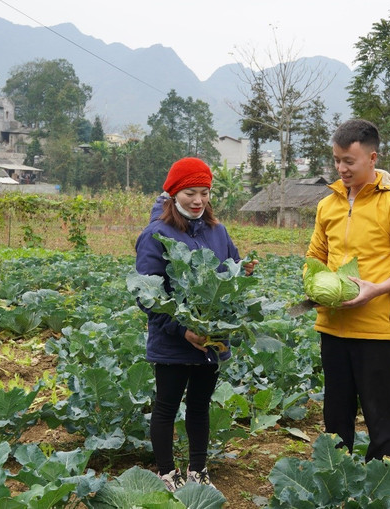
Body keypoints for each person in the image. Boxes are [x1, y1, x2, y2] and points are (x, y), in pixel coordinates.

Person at [305, 118, 390, 462]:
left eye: (349, 161)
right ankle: (337, 478)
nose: (341, 168)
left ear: (373, 158)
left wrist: (376, 289)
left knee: (380, 418)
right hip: (333, 325)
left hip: (377, 329)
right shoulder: (327, 205)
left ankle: (381, 484)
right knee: (335, 416)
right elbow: (315, 255)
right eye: (336, 160)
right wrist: (313, 282)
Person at [134, 157, 257, 491]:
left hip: (211, 338)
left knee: (200, 406)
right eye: (191, 192)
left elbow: (229, 267)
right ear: (174, 193)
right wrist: (182, 329)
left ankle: (197, 472)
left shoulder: (218, 231)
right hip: (174, 341)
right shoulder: (156, 234)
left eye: (205, 192)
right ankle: (166, 474)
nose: (199, 200)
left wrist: (242, 270)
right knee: (167, 406)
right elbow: (147, 293)